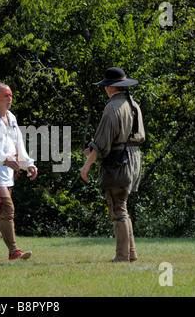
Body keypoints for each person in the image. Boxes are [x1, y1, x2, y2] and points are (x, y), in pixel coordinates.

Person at [80, 67, 145, 262]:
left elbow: (101, 144)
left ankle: (122, 256)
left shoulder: (112, 107)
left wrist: (87, 165)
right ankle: (130, 254)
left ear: (110, 87)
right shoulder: (133, 104)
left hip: (119, 161)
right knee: (123, 206)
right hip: (132, 159)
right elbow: (135, 136)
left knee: (118, 208)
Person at [0, 82, 38, 261]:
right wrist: (4, 157)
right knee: (7, 208)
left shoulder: (11, 117)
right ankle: (14, 252)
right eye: (6, 95)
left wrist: (28, 164)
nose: (10, 99)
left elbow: (18, 143)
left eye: (11, 95)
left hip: (8, 171)